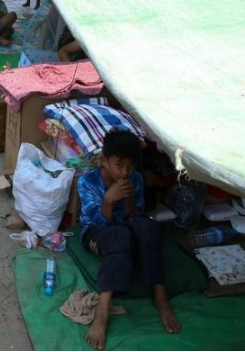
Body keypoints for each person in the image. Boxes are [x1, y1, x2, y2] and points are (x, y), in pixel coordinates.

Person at [77, 129, 181, 351]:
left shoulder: (136, 179)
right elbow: (96, 224)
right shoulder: (87, 182)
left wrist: (130, 198)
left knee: (150, 227)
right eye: (120, 164)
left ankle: (160, 297)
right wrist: (108, 201)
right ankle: (103, 309)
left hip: (125, 229)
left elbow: (135, 218)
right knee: (119, 235)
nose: (125, 172)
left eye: (131, 166)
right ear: (105, 160)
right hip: (96, 233)